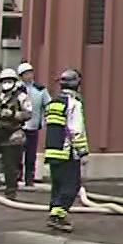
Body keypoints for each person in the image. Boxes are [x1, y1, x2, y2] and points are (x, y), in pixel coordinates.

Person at [42, 70, 89, 233]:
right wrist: (82, 152)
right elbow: (76, 131)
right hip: (67, 152)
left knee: (57, 186)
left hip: (52, 152)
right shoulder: (74, 104)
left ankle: (54, 214)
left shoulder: (53, 103)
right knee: (72, 185)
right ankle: (59, 216)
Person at [0, 69, 34, 200]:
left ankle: (11, 192)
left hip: (12, 135)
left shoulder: (22, 97)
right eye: (4, 81)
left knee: (9, 166)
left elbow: (28, 114)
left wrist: (13, 114)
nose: (6, 84)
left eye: (9, 81)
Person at [19, 64, 48, 189]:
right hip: (18, 127)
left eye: (30, 73)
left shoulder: (40, 90)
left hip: (33, 126)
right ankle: (16, 177)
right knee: (16, 154)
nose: (29, 76)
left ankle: (29, 178)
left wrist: (45, 120)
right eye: (26, 74)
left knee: (31, 155)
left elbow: (48, 105)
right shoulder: (16, 90)